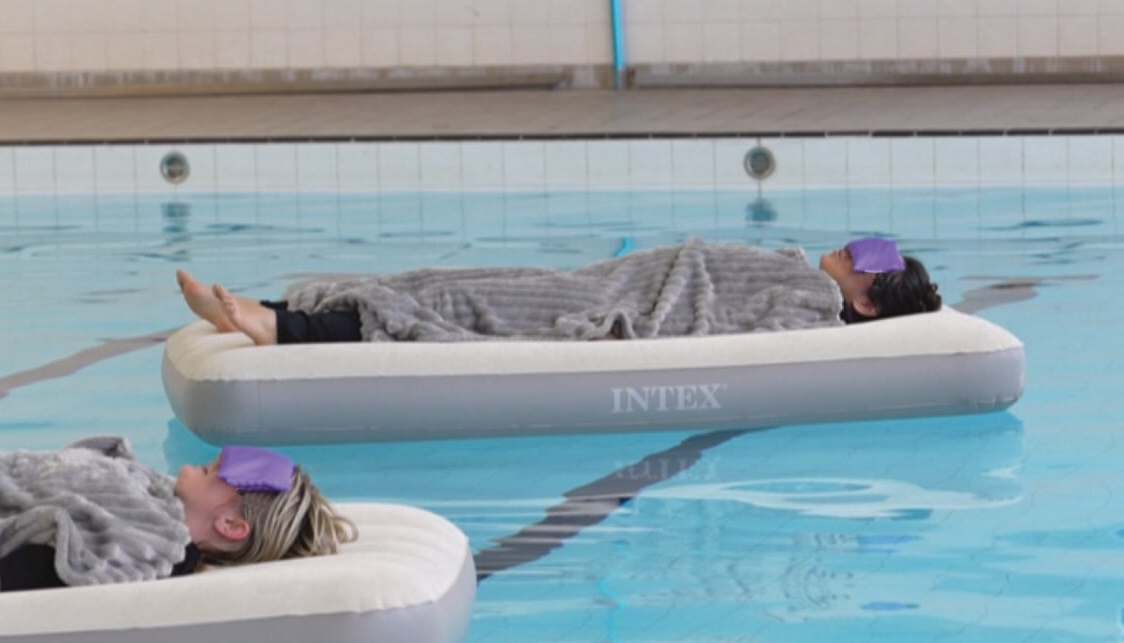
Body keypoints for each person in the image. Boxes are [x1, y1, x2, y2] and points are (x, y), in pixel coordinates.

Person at [0, 438, 356, 608]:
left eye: (233, 471)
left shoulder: (147, 545)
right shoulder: (152, 496)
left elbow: (13, 575)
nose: (222, 456)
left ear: (231, 525)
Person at [178, 236, 942, 346]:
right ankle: (279, 309)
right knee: (446, 280)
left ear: (868, 300)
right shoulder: (800, 266)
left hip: (620, 302)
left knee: (459, 306)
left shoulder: (816, 306)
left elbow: (728, 318)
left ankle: (286, 331)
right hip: (608, 279)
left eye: (869, 260)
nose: (853, 247)